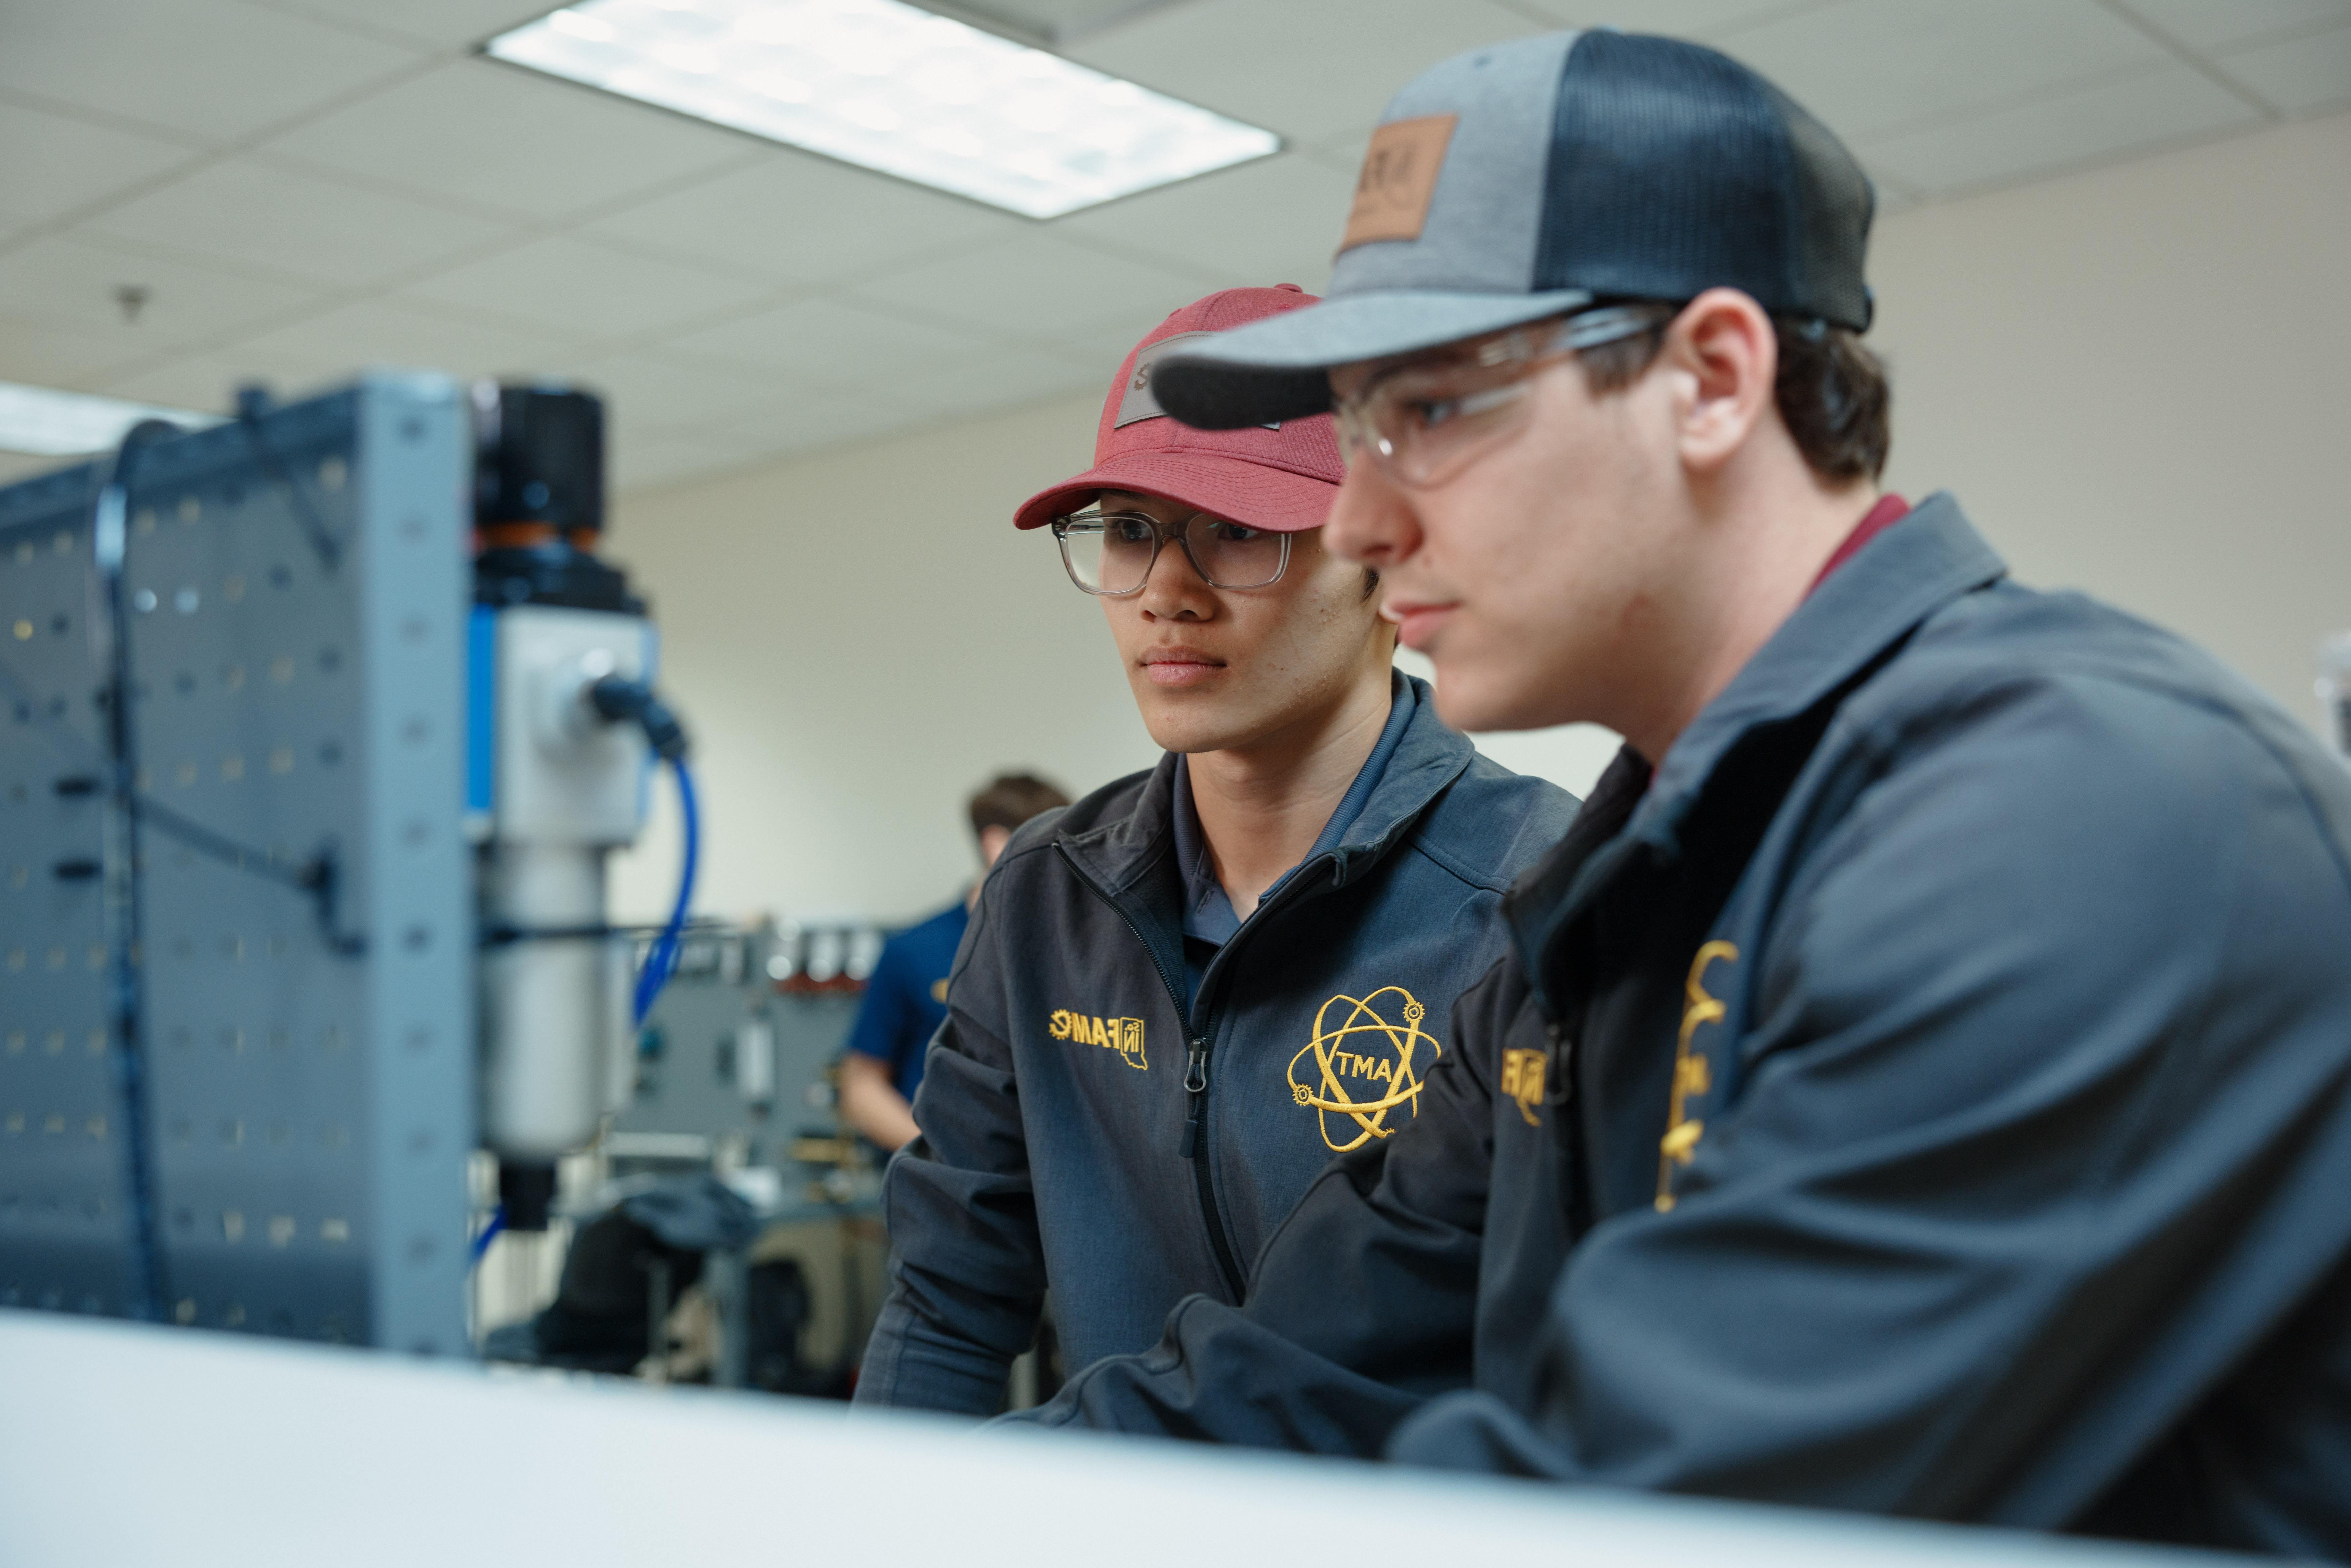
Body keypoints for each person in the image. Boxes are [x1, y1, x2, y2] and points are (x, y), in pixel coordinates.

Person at [1003, 31, 2351, 1555]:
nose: (1363, 522)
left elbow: (1658, 1509)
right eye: (1355, 430)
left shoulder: (2072, 818)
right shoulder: (1620, 886)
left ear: (1712, 378)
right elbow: (1304, 1364)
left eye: (1429, 410)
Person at [851, 285, 1581, 1416]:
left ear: (1384, 559)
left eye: (1240, 531)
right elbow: (948, 1297)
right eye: (1132, 532)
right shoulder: (1047, 893)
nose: (1168, 593)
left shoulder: (1538, 890)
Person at [839, 773, 1068, 1152]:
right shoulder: (914, 950)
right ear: (996, 844)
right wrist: (939, 1153)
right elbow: (862, 1085)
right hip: (945, 1182)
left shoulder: (1078, 946)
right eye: (1054, 844)